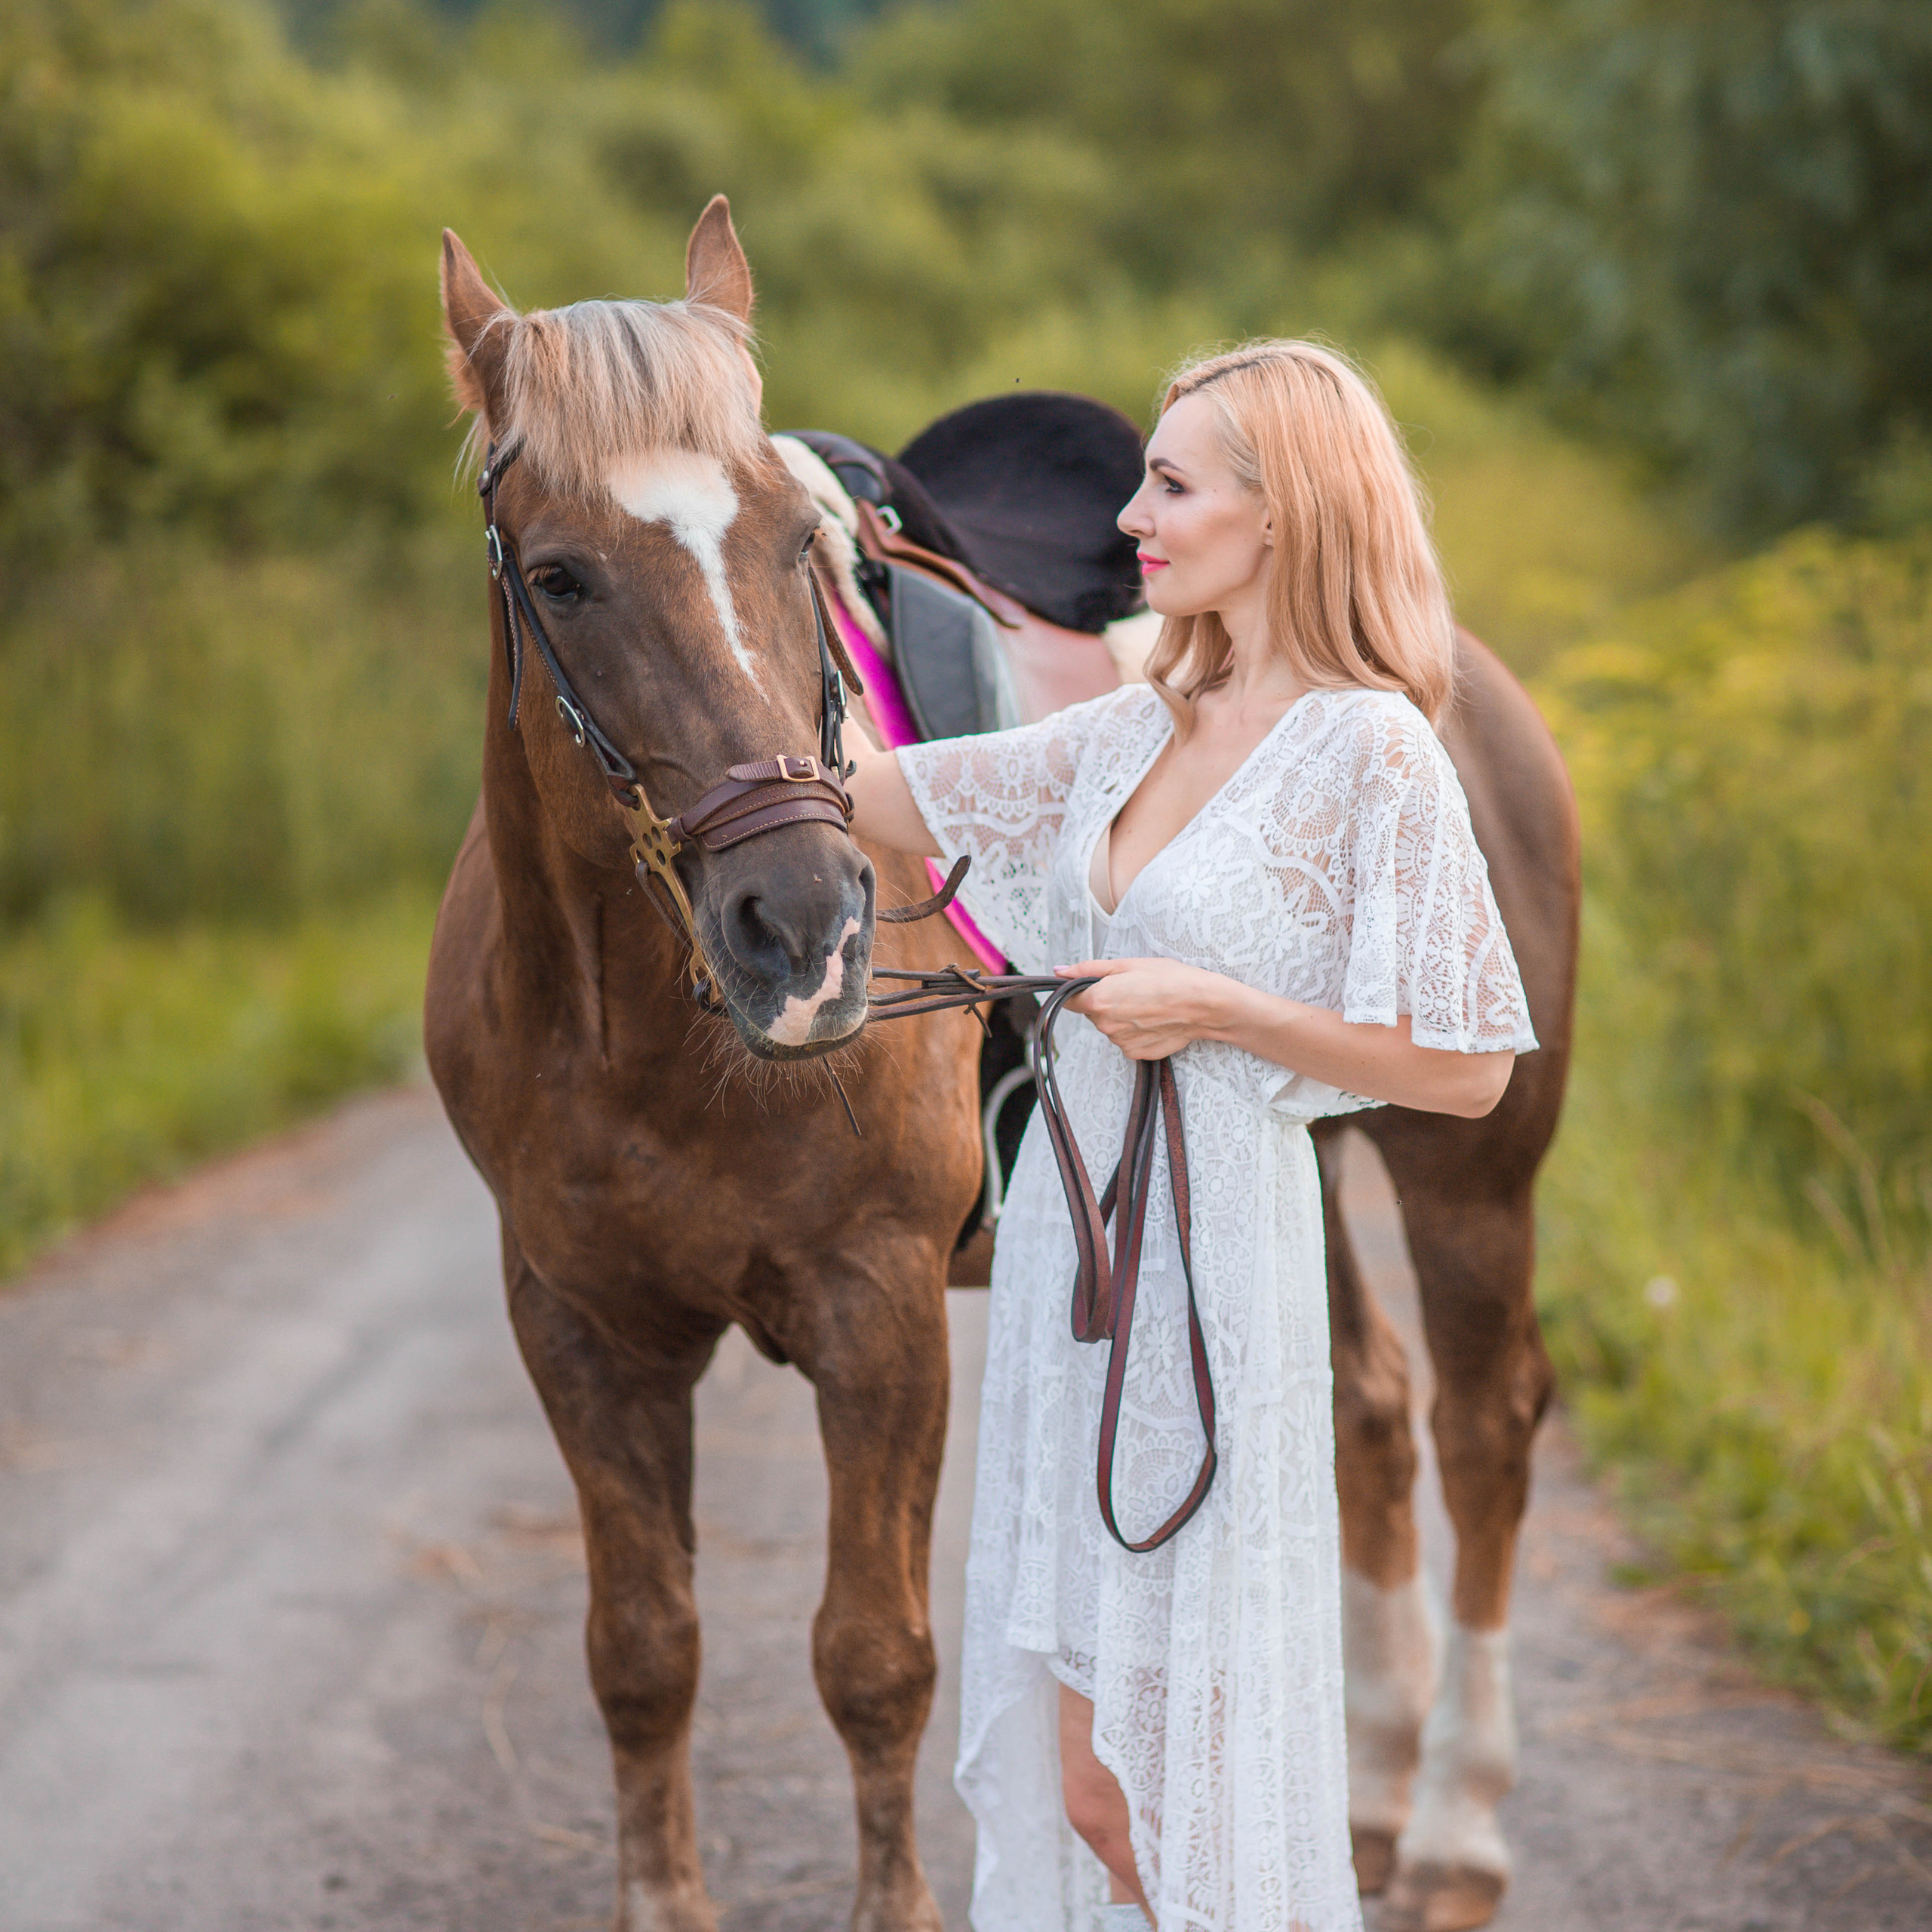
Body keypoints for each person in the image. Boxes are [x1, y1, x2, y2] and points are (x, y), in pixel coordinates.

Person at [843, 340, 1537, 1932]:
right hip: (1076, 1287)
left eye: (1166, 480)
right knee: (1081, 1776)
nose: (1126, 513)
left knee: (1155, 1786)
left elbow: (1464, 1072)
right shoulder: (1138, 720)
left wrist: (1215, 1007)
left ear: (1280, 512)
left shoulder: (1370, 750)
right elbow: (899, 797)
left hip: (1210, 1269)